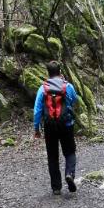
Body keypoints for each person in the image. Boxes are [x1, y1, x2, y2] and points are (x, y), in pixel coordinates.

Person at [33, 61, 78, 195]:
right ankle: (69, 174)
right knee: (69, 152)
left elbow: (37, 110)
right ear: (60, 72)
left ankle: (56, 187)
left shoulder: (43, 88)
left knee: (52, 156)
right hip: (66, 124)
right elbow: (75, 100)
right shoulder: (67, 86)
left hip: (49, 126)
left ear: (48, 73)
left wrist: (36, 129)